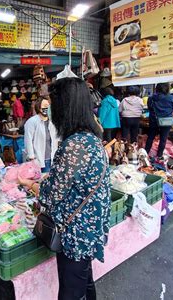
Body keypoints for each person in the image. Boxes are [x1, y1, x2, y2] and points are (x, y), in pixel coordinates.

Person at [18, 78, 110, 300]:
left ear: (64, 106)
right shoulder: (91, 136)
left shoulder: (74, 145)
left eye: (53, 103)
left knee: (71, 291)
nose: (50, 110)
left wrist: (29, 184)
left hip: (76, 233)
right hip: (89, 227)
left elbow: (51, 195)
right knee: (85, 282)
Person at [24, 97, 58, 173]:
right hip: (38, 159)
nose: (47, 108)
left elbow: (56, 139)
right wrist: (31, 157)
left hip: (52, 159)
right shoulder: (32, 122)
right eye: (44, 106)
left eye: (48, 106)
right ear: (39, 107)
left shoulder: (52, 122)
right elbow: (28, 140)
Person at [145, 83, 173, 161]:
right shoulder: (171, 98)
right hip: (166, 121)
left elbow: (149, 108)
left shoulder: (151, 98)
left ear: (157, 89)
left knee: (150, 137)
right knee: (163, 139)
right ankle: (159, 156)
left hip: (154, 120)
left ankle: (145, 153)